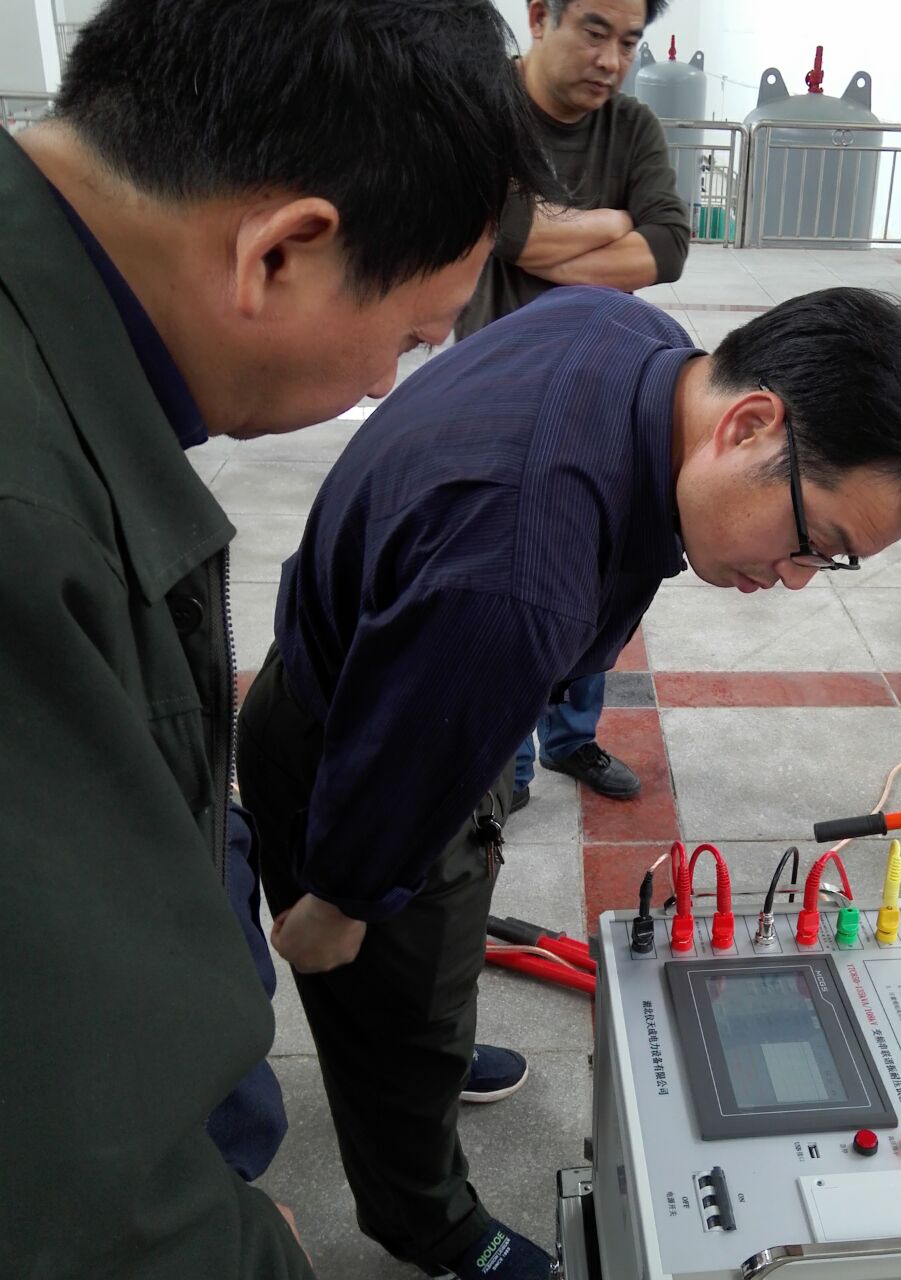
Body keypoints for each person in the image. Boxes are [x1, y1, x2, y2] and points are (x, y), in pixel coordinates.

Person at [236, 284, 901, 1280]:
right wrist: (339, 898)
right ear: (749, 423)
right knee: (384, 993)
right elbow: (399, 777)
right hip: (362, 745)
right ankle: (430, 1221)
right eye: (816, 542)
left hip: (418, 680)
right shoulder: (516, 572)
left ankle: (433, 1048)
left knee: (434, 962)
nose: (796, 578)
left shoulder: (633, 339)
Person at [0, 1, 554, 1275]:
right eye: (407, 337)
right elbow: (76, 1191)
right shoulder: (29, 525)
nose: (385, 385)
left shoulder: (66, 365)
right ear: (282, 252)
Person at [456, 0, 689, 813]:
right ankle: (506, 762)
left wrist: (547, 238)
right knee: (504, 587)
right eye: (593, 31)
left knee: (598, 577)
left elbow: (669, 246)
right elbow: (505, 231)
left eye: (628, 42)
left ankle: (570, 739)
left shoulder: (632, 128)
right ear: (539, 14)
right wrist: (615, 224)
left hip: (602, 386)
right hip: (495, 387)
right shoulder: (482, 106)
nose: (611, 60)